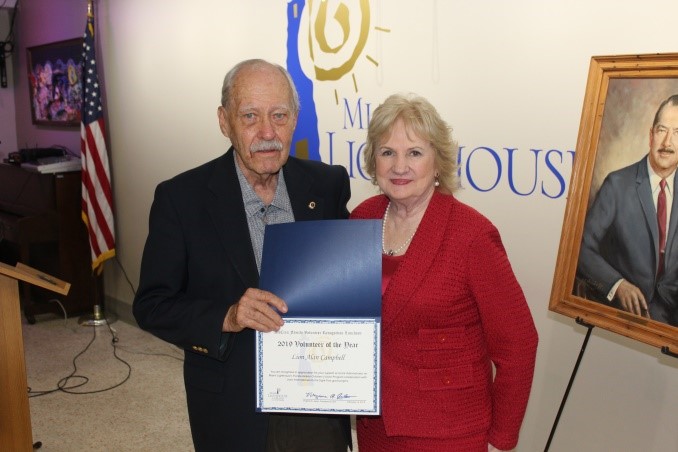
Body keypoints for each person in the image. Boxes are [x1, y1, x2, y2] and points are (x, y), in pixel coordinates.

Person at [133, 59, 353, 452]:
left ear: (295, 118)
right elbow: (151, 305)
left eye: (279, 116)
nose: (267, 132)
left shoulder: (327, 184)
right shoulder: (182, 199)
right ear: (224, 121)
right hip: (231, 407)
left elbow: (347, 280)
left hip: (316, 404)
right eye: (250, 116)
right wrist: (228, 316)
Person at [350, 93, 538, 451]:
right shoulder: (362, 218)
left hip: (447, 433)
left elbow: (519, 343)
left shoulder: (472, 236)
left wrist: (501, 438)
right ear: (374, 162)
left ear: (438, 163)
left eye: (415, 153)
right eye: (387, 152)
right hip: (375, 428)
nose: (399, 166)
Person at [577, 94, 678, 327]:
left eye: (677, 133)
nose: (667, 143)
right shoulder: (617, 184)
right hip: (621, 318)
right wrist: (618, 285)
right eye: (662, 130)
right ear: (651, 136)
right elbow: (581, 248)